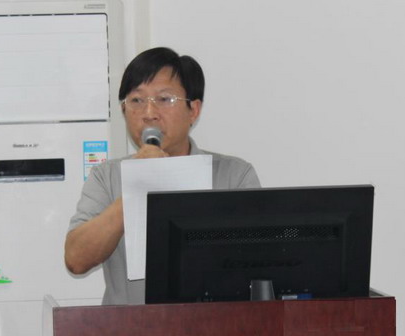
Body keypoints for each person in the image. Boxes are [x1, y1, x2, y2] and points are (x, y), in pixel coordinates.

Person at [64, 47, 260, 305]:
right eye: (136, 100)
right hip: (129, 328)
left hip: (214, 325)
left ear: (193, 110)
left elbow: (256, 264)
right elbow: (76, 259)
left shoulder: (234, 176)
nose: (149, 113)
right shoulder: (106, 177)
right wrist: (137, 185)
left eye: (164, 99)